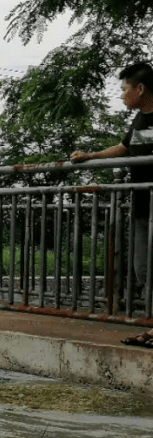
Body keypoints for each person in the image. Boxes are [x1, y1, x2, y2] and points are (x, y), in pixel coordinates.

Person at [70, 62, 153, 343]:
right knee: (143, 268)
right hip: (143, 206)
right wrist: (90, 156)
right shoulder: (140, 119)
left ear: (140, 89)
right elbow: (125, 147)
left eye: (124, 89)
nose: (122, 95)